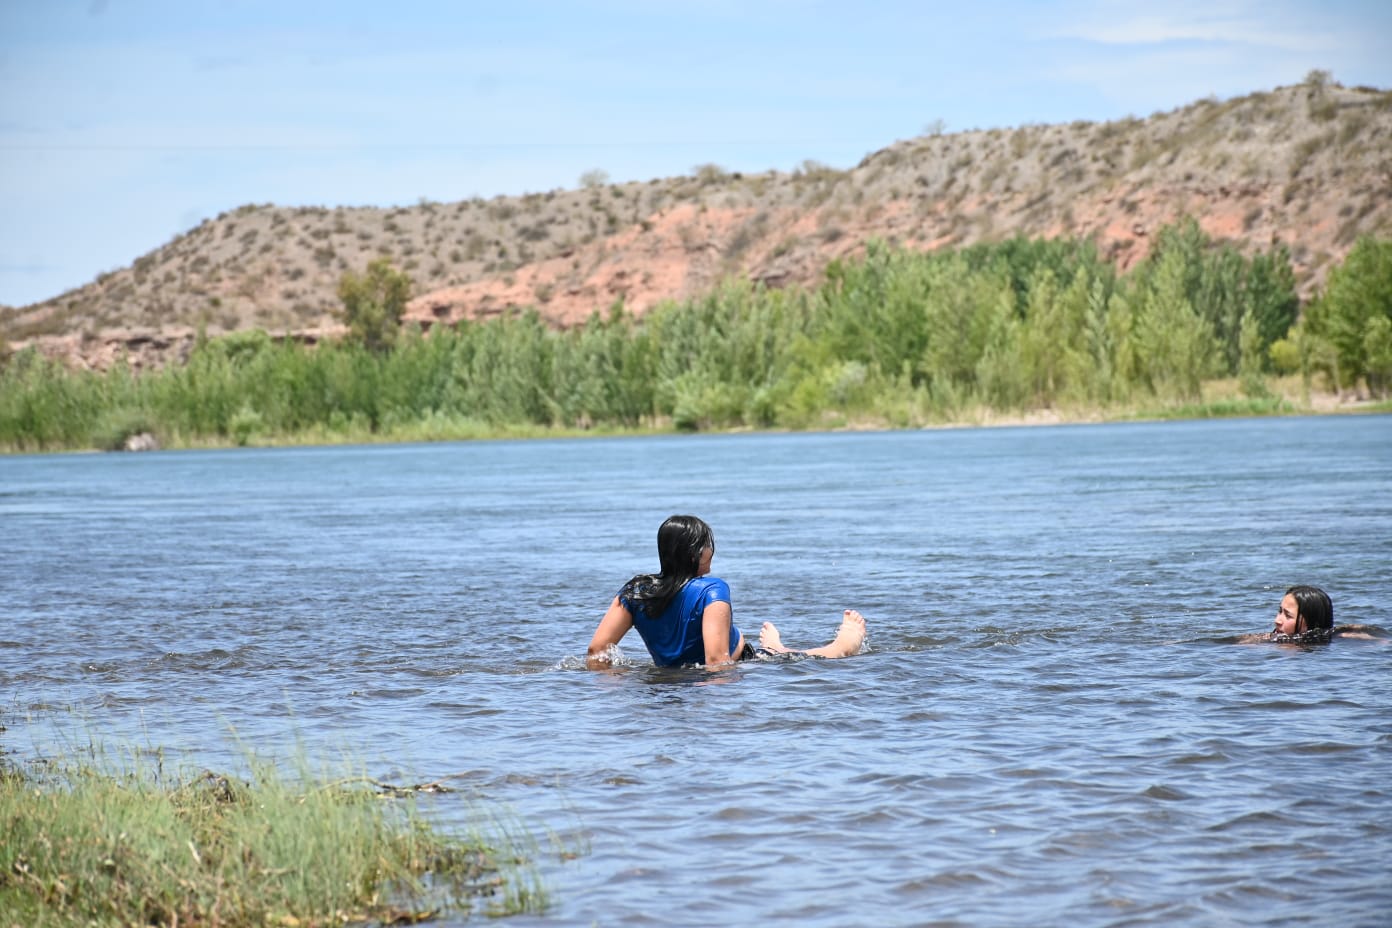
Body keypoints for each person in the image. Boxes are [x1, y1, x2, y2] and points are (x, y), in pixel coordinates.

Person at [586, 514, 867, 670]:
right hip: (745, 662)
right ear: (696, 552)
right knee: (828, 655)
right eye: (708, 545)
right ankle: (842, 641)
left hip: (670, 681)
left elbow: (597, 651)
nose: (712, 551)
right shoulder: (712, 589)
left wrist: (617, 688)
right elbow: (716, 662)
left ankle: (776, 647)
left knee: (776, 652)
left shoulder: (636, 591)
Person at [1242, 584, 1380, 643]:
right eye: (1279, 612)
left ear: (1313, 622)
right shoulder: (1272, 639)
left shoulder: (1336, 637)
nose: (1277, 620)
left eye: (1288, 615)